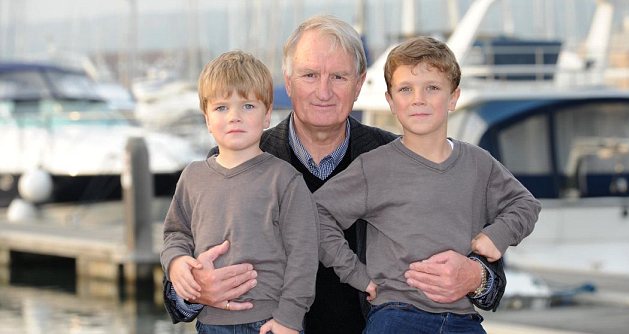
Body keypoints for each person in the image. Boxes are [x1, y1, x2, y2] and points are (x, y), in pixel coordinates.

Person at [164, 15, 507, 334]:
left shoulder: (398, 159)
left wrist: (476, 277)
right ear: (289, 82)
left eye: (339, 77)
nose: (324, 91)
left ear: (359, 85)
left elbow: (490, 274)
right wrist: (193, 290)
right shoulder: (235, 161)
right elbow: (176, 282)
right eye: (310, 75)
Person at [314, 36, 541, 334]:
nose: (418, 98)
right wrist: (357, 274)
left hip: (463, 319)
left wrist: (498, 234)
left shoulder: (478, 163)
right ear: (391, 101)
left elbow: (526, 204)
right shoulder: (375, 167)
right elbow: (316, 214)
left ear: (453, 97)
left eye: (432, 88)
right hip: (397, 315)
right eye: (406, 89)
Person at [160, 50, 319, 334]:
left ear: (267, 114)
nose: (234, 117)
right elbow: (176, 233)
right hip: (210, 323)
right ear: (207, 119)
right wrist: (176, 263)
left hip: (270, 322)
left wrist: (289, 318)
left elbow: (303, 255)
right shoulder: (193, 177)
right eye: (221, 108)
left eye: (247, 106)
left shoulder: (284, 179)